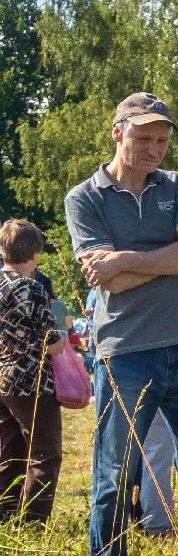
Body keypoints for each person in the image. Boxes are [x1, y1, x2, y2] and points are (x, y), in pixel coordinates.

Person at [64, 92, 178, 556]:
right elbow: (107, 283)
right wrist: (163, 256)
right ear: (118, 133)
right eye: (143, 138)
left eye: (161, 140)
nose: (154, 149)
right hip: (125, 352)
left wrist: (125, 260)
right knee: (115, 474)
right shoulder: (84, 198)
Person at [0, 219, 64, 525]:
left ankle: (5, 513)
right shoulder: (33, 288)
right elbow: (51, 344)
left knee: (8, 451)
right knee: (44, 455)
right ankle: (32, 521)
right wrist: (61, 335)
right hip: (31, 379)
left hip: (2, 378)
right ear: (36, 253)